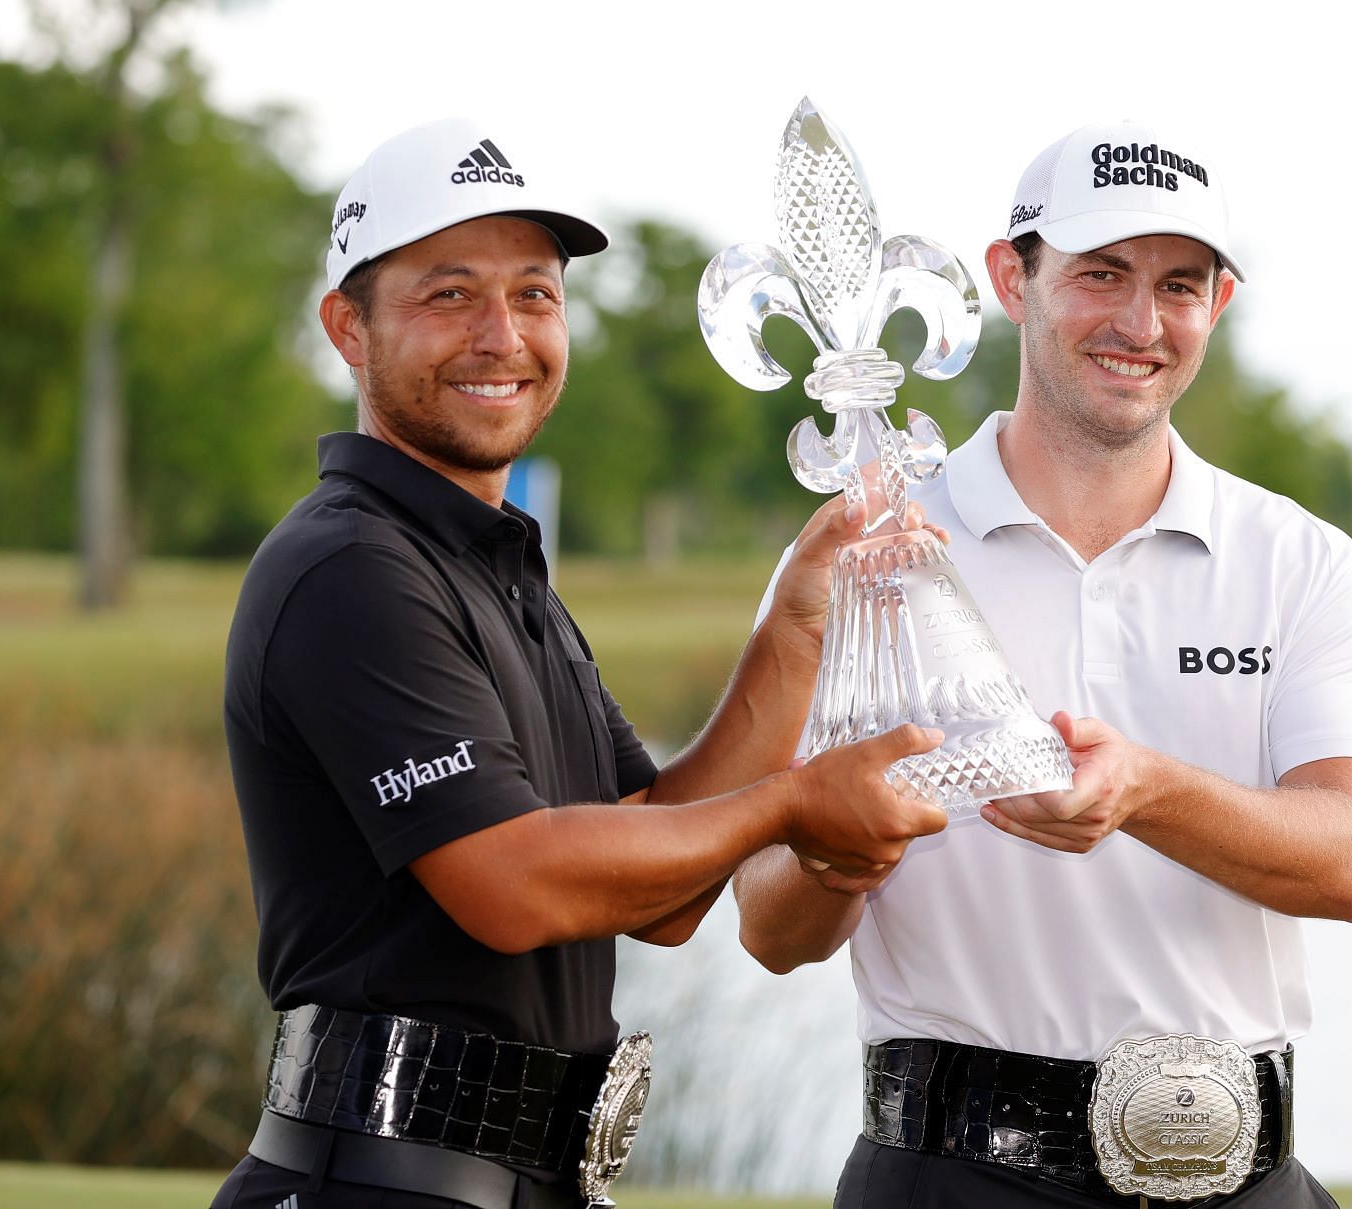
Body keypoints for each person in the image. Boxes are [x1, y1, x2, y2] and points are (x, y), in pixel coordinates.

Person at [210, 117, 947, 1209]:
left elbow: (661, 882)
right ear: (347, 328)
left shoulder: (493, 564)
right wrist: (795, 806)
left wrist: (791, 636)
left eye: (535, 293)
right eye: (448, 294)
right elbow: (514, 884)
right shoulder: (350, 567)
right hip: (376, 1181)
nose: (501, 335)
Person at [734, 120, 1352, 1208]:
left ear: (1217, 307)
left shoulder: (1303, 563)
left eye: (1180, 285)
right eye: (1100, 275)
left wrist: (1147, 789)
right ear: (1013, 277)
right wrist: (843, 849)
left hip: (1241, 1176)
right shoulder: (865, 551)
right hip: (949, 1175)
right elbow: (769, 928)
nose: (1140, 323)